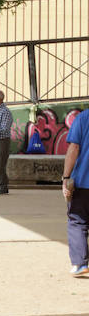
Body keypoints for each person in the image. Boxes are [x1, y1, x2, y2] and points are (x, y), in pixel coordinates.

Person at [62, 109, 89, 276]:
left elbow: (74, 147)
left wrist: (66, 176)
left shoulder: (83, 117)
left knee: (77, 221)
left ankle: (80, 263)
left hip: (84, 180)